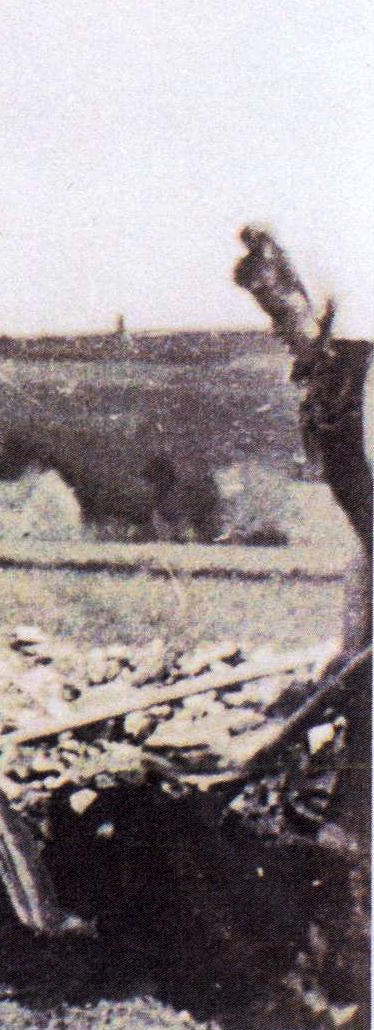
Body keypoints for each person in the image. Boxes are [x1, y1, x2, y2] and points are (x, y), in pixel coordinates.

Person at [234, 225, 372, 841]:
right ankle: (345, 820)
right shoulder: (330, 385)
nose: (276, 329)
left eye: (281, 308)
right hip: (369, 548)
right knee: (356, 681)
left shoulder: (355, 378)